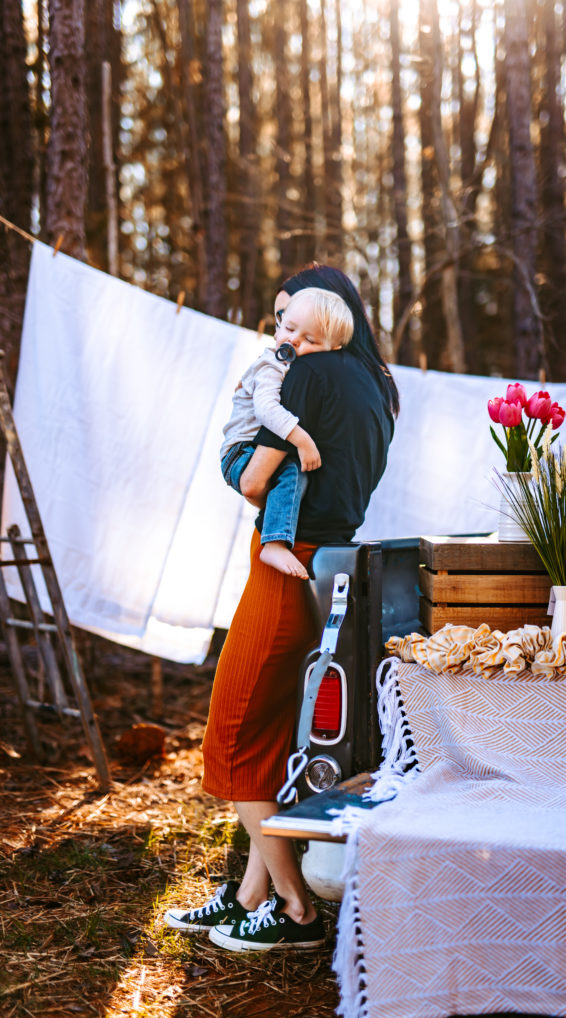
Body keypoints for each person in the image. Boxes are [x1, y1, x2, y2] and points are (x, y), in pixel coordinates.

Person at [163, 265, 399, 952]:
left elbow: (258, 478)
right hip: (331, 568)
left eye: (293, 318)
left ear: (326, 320)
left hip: (283, 564)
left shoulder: (303, 376)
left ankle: (293, 908)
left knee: (234, 739)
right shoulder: (377, 388)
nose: (283, 332)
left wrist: (242, 469)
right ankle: (247, 898)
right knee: (271, 738)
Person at [220, 287, 354, 578]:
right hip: (240, 451)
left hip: (250, 452)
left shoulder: (299, 370)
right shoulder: (272, 364)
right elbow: (266, 410)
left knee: (293, 477)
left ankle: (276, 527)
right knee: (293, 471)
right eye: (289, 329)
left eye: (309, 339)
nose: (293, 340)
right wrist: (303, 440)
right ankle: (274, 544)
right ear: (278, 326)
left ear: (331, 352)